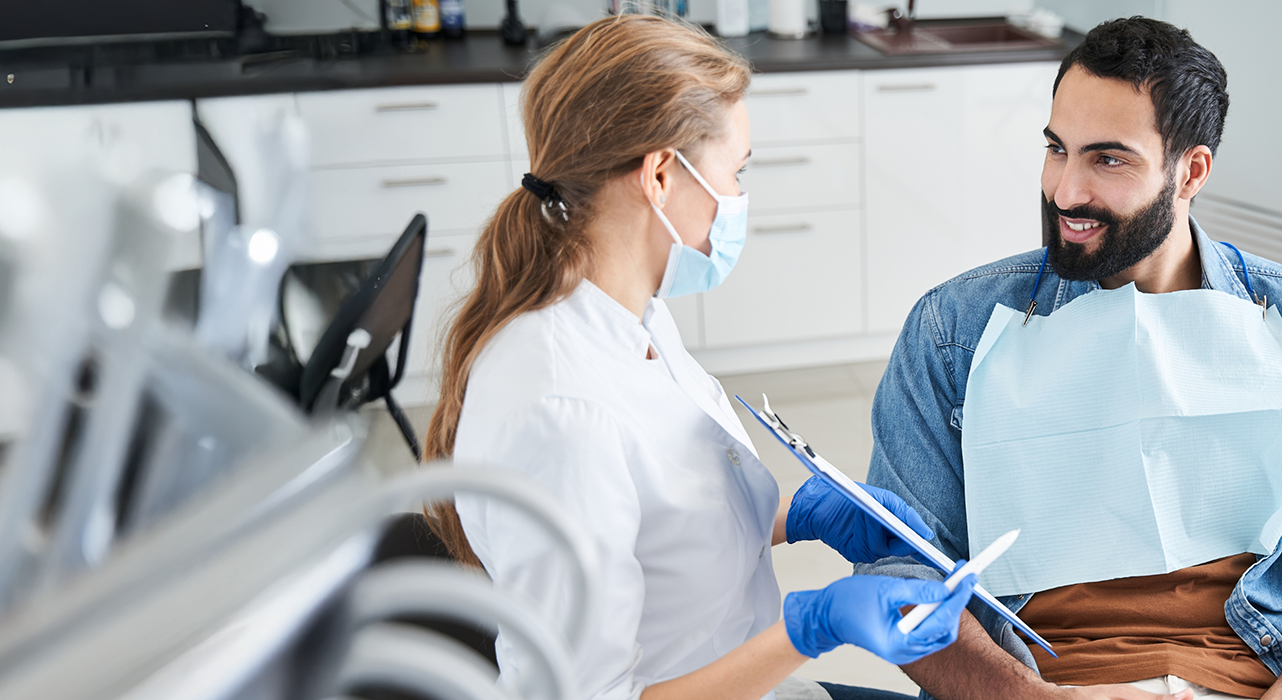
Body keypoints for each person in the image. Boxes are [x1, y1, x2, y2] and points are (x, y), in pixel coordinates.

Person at [420, 15, 977, 700]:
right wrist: (814, 629)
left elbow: (661, 526)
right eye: (736, 173)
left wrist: (796, 516)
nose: (740, 201)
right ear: (659, 174)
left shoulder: (632, 314)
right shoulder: (561, 410)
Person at [856, 16, 1282, 700]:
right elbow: (899, 574)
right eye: (1058, 148)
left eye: (1108, 159)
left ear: (1191, 171)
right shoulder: (953, 331)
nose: (1066, 191)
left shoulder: (1276, 322)